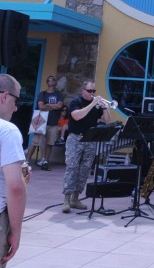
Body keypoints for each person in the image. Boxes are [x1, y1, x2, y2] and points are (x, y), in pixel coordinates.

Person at [62, 80, 112, 212]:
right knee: (72, 167)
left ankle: (75, 198)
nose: (92, 93)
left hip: (90, 140)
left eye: (94, 91)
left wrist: (104, 107)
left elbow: (107, 121)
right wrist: (93, 104)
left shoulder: (96, 105)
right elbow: (77, 116)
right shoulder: (76, 101)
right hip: (75, 138)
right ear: (82, 91)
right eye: (90, 91)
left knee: (84, 169)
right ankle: (66, 199)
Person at [0, 74, 28, 268]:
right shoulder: (7, 131)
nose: (16, 108)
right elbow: (16, 187)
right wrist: (16, 233)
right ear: (5, 97)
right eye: (16, 101)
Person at [26, 76, 64, 170]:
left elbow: (59, 106)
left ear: (55, 82)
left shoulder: (59, 94)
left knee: (50, 142)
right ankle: (27, 161)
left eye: (53, 79)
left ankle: (45, 161)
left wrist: (47, 105)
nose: (51, 81)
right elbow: (41, 107)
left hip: (53, 121)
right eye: (49, 79)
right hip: (41, 120)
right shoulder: (42, 93)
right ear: (47, 82)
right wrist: (52, 106)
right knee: (36, 141)